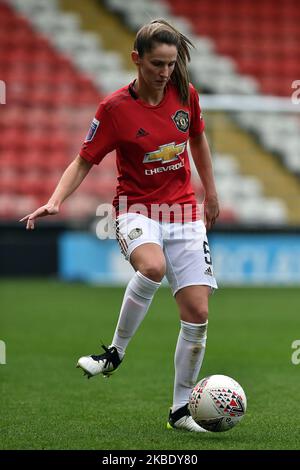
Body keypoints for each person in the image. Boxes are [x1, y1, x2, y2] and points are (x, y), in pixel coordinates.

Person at [20, 19, 219, 433]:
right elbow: (84, 160)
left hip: (183, 211)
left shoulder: (186, 95)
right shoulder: (114, 109)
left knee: (197, 314)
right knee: (152, 267)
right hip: (135, 209)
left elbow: (197, 139)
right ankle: (115, 351)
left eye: (170, 64)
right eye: (156, 64)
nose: (165, 73)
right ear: (136, 59)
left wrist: (211, 193)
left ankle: (181, 410)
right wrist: (56, 200)